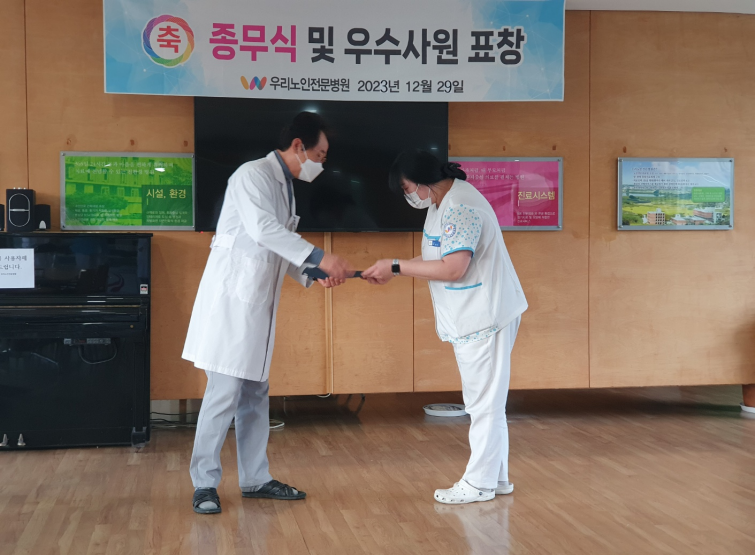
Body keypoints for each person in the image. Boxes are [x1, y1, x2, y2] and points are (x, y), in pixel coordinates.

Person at [182, 112, 353, 514]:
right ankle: (204, 484)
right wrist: (320, 256)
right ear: (298, 146)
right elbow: (263, 231)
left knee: (255, 394)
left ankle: (255, 478)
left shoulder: (284, 187)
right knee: (223, 394)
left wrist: (313, 273)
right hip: (231, 305)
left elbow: (279, 245)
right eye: (320, 155)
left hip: (256, 308)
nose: (321, 164)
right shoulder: (252, 175)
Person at [362, 150, 528, 505]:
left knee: (482, 404)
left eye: (406, 188)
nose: (408, 196)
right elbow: (438, 256)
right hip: (475, 314)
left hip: (485, 316)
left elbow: (454, 268)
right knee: (487, 401)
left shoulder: (460, 206)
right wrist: (393, 269)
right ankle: (496, 478)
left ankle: (479, 483)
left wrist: (396, 266)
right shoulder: (443, 202)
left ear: (422, 182)